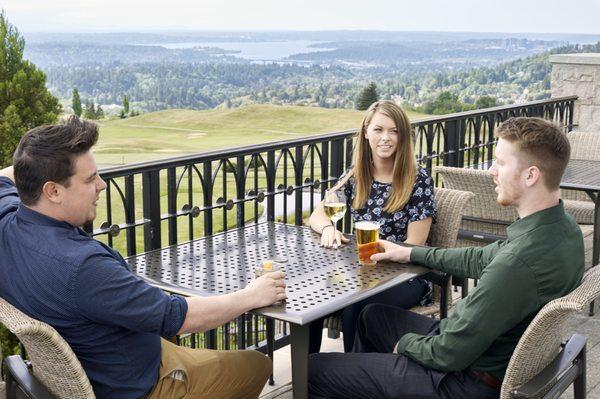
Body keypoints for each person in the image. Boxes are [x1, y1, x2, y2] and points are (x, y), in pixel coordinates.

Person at [0, 116, 286, 399]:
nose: (102, 185)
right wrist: (252, 295)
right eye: (89, 179)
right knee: (257, 364)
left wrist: (36, 158)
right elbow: (178, 317)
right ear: (53, 191)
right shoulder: (83, 268)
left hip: (111, 361)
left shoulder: (7, 221)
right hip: (143, 384)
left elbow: (8, 175)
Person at [308, 117, 584, 399]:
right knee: (370, 317)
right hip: (480, 354)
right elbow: (477, 258)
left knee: (313, 370)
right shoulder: (563, 228)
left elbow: (446, 353)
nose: (491, 171)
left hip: (461, 383)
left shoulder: (516, 265)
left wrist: (404, 346)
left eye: (500, 163)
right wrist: (409, 252)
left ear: (531, 175)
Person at [308, 100, 437, 353]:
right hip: (364, 271)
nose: (386, 138)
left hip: (408, 275)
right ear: (366, 132)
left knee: (355, 308)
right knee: (313, 305)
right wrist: (327, 229)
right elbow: (317, 214)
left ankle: (354, 379)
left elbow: (415, 245)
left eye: (394, 131)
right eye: (378, 130)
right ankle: (310, 378)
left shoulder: (417, 179)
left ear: (403, 136)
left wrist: (376, 260)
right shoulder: (356, 174)